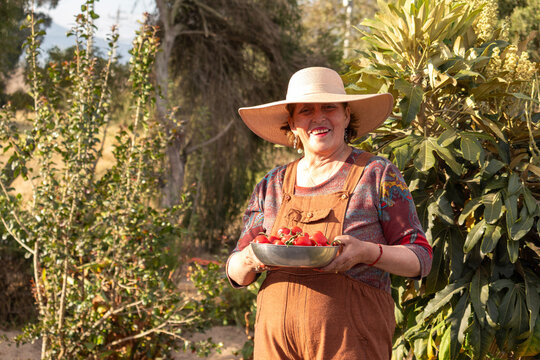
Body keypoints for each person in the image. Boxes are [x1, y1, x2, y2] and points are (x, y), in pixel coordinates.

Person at [226, 67, 432, 360]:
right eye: (305, 110)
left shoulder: (376, 174)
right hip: (276, 346)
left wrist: (366, 253)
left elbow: (420, 259)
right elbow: (235, 272)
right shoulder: (271, 184)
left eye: (329, 107)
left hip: (351, 344)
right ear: (292, 122)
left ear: (347, 115)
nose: (318, 118)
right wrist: (250, 257)